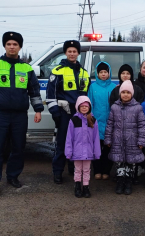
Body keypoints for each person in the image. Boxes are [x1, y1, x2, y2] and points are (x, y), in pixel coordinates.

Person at [0, 31, 44, 197]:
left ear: (20, 47)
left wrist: (38, 110)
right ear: (5, 46)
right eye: (9, 44)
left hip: (19, 116)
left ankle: (13, 176)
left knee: (18, 148)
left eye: (15, 44)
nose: (12, 47)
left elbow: (34, 91)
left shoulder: (27, 68)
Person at [46, 40, 91, 184]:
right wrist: (55, 113)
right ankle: (58, 172)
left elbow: (86, 95)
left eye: (75, 51)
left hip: (80, 113)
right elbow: (50, 95)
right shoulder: (57, 71)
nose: (72, 54)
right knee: (62, 143)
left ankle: (73, 168)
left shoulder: (84, 72)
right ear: (65, 53)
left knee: (78, 142)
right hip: (64, 112)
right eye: (69, 51)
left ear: (78, 53)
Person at [104, 80, 145, 195]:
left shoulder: (137, 108)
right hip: (117, 141)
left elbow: (142, 125)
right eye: (123, 92)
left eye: (128, 92)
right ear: (120, 94)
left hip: (132, 141)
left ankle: (128, 183)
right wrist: (108, 139)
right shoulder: (114, 107)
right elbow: (110, 124)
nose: (126, 94)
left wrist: (141, 140)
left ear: (132, 94)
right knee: (119, 163)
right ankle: (120, 182)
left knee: (130, 163)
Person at [65, 96, 101, 198]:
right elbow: (69, 138)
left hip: (88, 152)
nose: (84, 108)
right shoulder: (73, 120)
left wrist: (97, 152)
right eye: (82, 106)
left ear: (89, 107)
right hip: (77, 152)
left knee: (86, 170)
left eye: (86, 106)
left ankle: (86, 187)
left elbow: (96, 138)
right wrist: (68, 152)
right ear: (78, 107)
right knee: (77, 170)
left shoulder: (93, 120)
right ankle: (77, 186)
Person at [88, 62, 116, 180]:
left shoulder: (114, 87)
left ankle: (106, 171)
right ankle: (97, 170)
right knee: (96, 148)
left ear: (109, 73)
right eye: (101, 72)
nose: (103, 74)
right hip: (96, 123)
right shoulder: (93, 87)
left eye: (105, 72)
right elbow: (89, 104)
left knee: (109, 148)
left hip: (110, 123)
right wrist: (90, 119)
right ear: (97, 74)